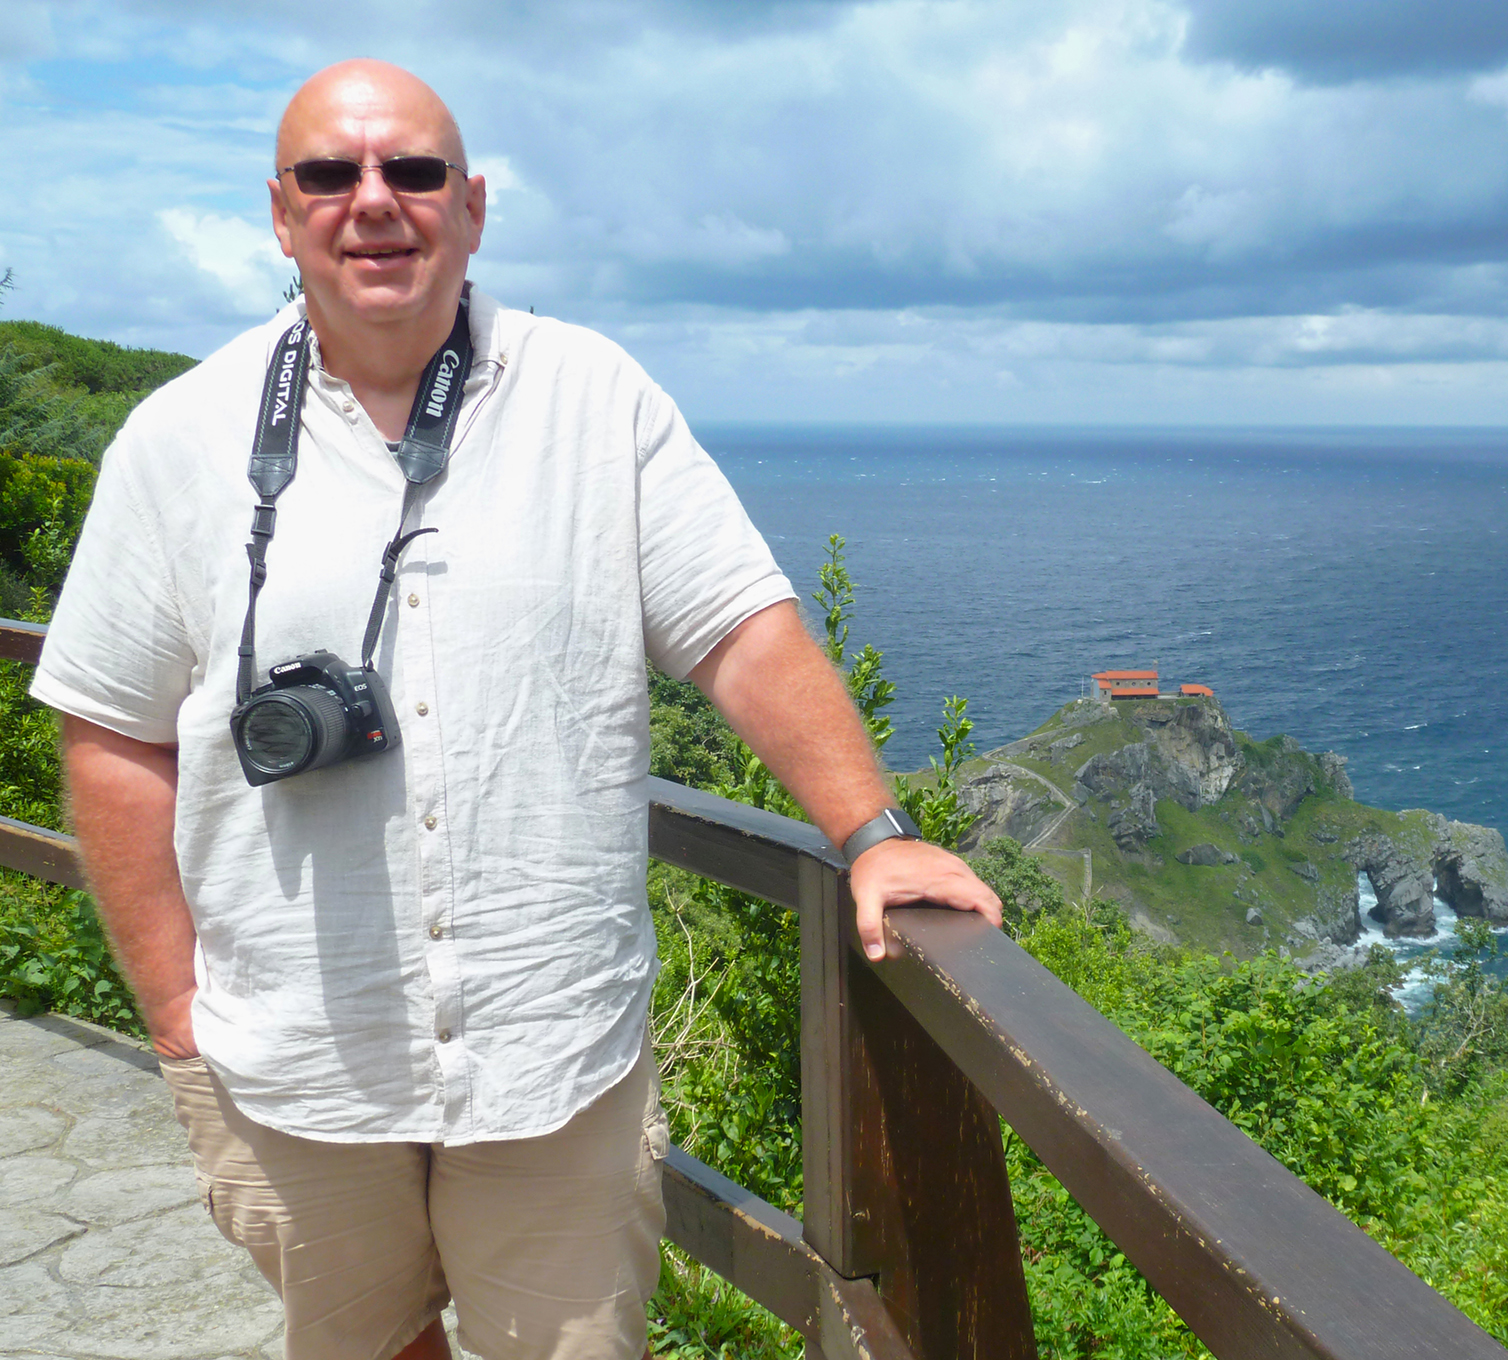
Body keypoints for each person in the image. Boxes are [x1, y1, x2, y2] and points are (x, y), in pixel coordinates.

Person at [32, 59, 1001, 1360]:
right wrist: (175, 1019)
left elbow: (737, 628)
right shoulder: (178, 439)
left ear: (472, 207)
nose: (372, 201)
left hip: (554, 1059)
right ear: (279, 214)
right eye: (330, 174)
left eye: (412, 171)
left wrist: (870, 831)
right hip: (289, 1061)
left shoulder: (592, 400)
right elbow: (111, 728)